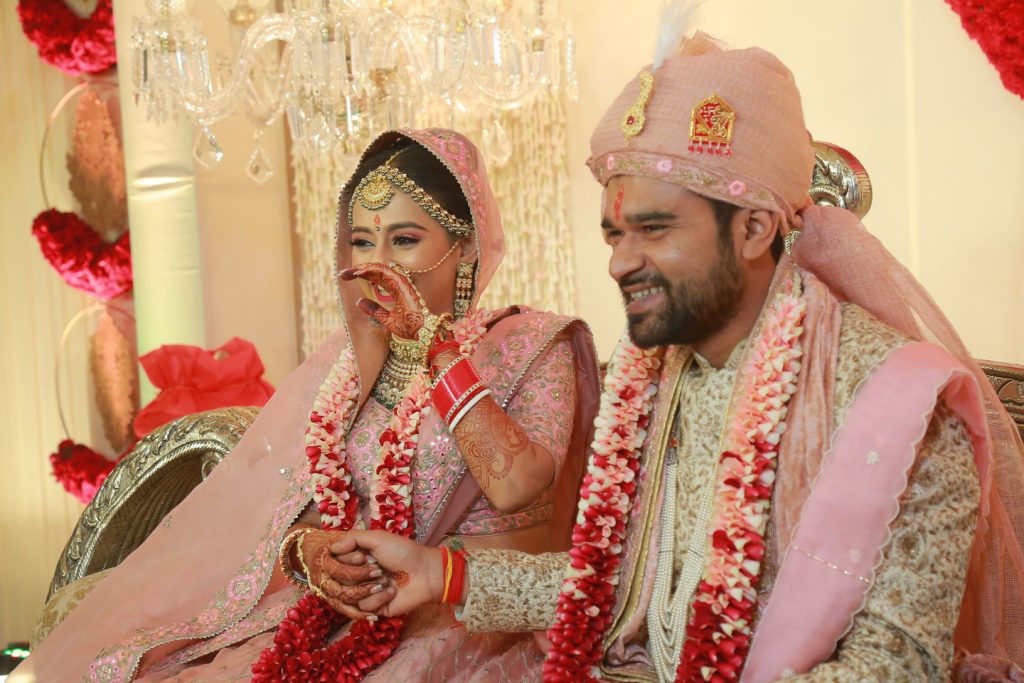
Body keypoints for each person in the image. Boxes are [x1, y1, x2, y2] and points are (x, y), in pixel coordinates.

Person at [328, 32, 1024, 683]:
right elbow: (620, 582)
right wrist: (439, 574)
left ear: (753, 227)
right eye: (613, 234)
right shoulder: (661, 378)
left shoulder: (903, 409)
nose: (620, 262)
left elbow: (895, 666)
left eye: (654, 229)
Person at [11, 128, 600, 681]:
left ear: (465, 245)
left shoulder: (531, 343)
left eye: (405, 240)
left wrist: (437, 352)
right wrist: (308, 552)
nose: (380, 267)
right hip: (341, 612)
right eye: (364, 242)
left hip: (469, 613)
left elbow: (516, 483)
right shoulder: (347, 366)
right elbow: (294, 510)